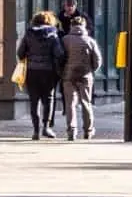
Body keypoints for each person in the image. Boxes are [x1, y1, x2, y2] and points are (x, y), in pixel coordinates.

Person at [16, 11, 63, 140]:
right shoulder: (53, 35)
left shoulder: (28, 34)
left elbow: (20, 53)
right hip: (48, 71)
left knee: (34, 101)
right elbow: (59, 53)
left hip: (32, 71)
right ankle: (46, 128)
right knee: (48, 99)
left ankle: (36, 130)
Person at [58, 17, 102, 140]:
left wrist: (62, 71)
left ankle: (71, 131)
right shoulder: (90, 41)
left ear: (72, 26)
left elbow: (59, 57)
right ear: (84, 26)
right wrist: (91, 70)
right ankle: (88, 131)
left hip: (69, 74)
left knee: (70, 104)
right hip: (85, 75)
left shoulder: (65, 40)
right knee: (86, 102)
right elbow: (98, 60)